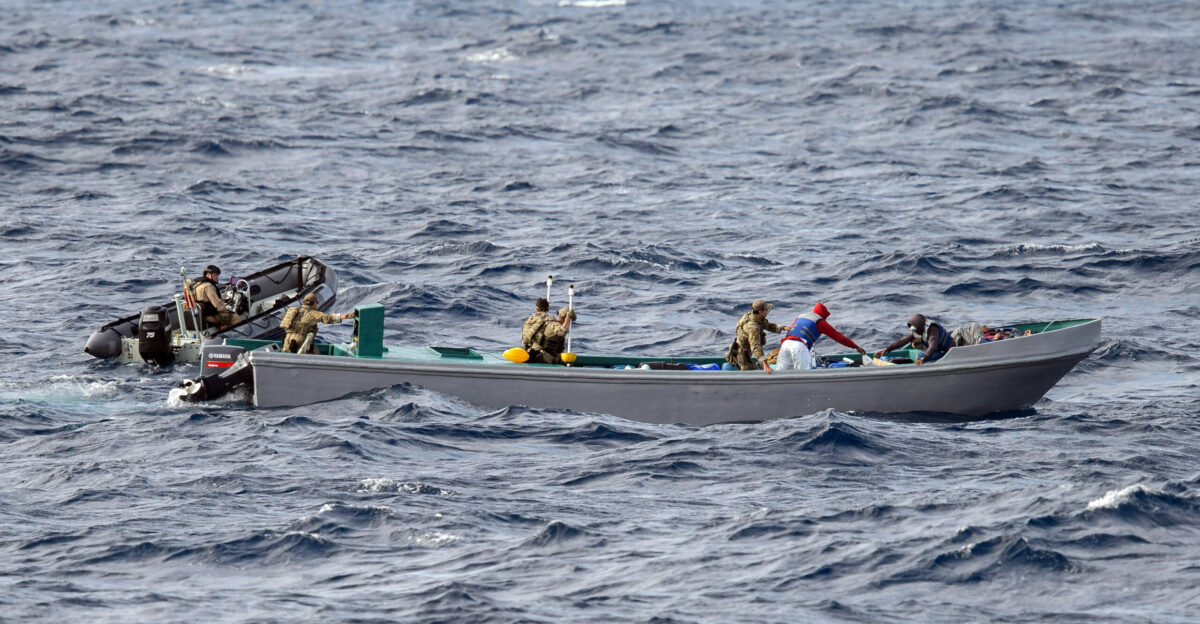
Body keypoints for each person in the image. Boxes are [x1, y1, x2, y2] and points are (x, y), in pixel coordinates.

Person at [777, 302, 867, 370]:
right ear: (823, 315)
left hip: (785, 344)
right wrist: (855, 347)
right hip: (799, 347)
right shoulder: (820, 321)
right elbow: (839, 337)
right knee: (804, 378)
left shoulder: (801, 316)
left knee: (780, 374)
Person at [726, 299, 792, 373]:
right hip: (742, 354)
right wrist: (766, 365)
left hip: (746, 351)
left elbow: (768, 325)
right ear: (760, 312)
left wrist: (783, 328)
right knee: (748, 373)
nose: (767, 311)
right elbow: (756, 347)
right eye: (766, 310)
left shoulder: (755, 317)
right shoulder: (753, 327)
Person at [280, 293, 355, 353]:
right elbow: (328, 318)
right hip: (299, 342)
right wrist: (348, 316)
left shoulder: (294, 312)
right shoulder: (312, 314)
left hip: (287, 340)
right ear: (314, 303)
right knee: (316, 354)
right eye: (317, 302)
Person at [873, 313, 954, 365]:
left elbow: (933, 346)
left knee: (920, 357)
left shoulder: (933, 329)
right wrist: (887, 349)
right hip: (935, 349)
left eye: (914, 329)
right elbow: (903, 340)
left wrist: (923, 359)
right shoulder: (918, 328)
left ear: (919, 326)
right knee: (919, 354)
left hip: (946, 350)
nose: (913, 332)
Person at [521, 298, 575, 364]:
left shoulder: (529, 321)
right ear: (548, 309)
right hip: (542, 357)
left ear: (536, 308)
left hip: (529, 353)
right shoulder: (549, 322)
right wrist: (568, 318)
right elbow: (562, 331)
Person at [191, 264, 241, 329]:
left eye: (217, 275)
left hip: (199, 314)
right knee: (235, 317)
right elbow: (217, 303)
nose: (217, 277)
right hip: (208, 316)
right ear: (208, 275)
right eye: (215, 275)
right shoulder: (208, 286)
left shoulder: (196, 284)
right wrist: (227, 311)